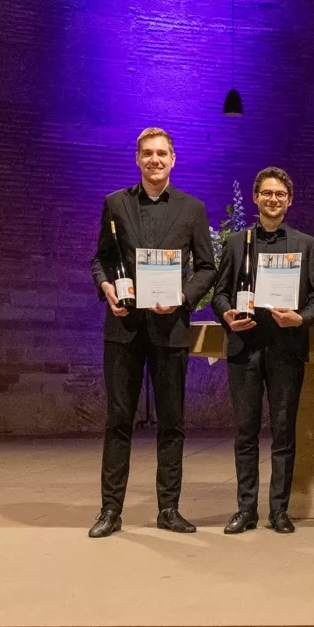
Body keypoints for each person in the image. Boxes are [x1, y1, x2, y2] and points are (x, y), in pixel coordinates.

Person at [86, 127, 216, 538]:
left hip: (170, 327)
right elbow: (100, 261)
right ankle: (110, 511)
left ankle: (169, 509)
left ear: (173, 159)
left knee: (172, 423)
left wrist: (182, 296)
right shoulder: (115, 204)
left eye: (162, 153)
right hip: (124, 326)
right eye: (147, 153)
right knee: (119, 420)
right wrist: (105, 286)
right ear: (137, 159)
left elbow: (207, 268)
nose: (155, 160)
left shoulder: (192, 209)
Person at [211, 167, 314, 535]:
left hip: (286, 349)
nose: (273, 199)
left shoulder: (304, 244)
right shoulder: (235, 243)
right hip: (245, 347)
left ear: (289, 200)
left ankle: (279, 511)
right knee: (245, 433)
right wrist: (226, 315)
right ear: (256, 198)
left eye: (280, 194)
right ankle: (246, 509)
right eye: (267, 193)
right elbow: (220, 294)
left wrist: (300, 318)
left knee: (283, 432)